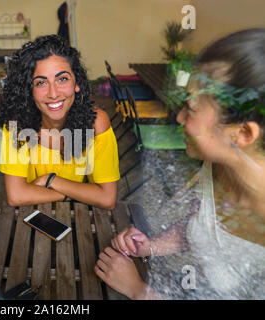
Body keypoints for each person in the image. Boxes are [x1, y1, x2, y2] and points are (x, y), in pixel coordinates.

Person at [95, 28, 265, 299]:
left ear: (242, 134)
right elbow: (201, 229)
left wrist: (141, 292)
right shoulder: (217, 164)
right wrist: (150, 246)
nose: (179, 118)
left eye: (192, 109)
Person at [0, 35, 120, 209]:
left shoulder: (95, 123)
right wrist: (77, 195)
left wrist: (50, 180)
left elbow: (107, 199)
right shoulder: (17, 125)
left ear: (76, 83)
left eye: (62, 79)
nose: (53, 93)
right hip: (29, 219)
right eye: (41, 83)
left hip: (83, 218)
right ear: (29, 90)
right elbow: (16, 196)